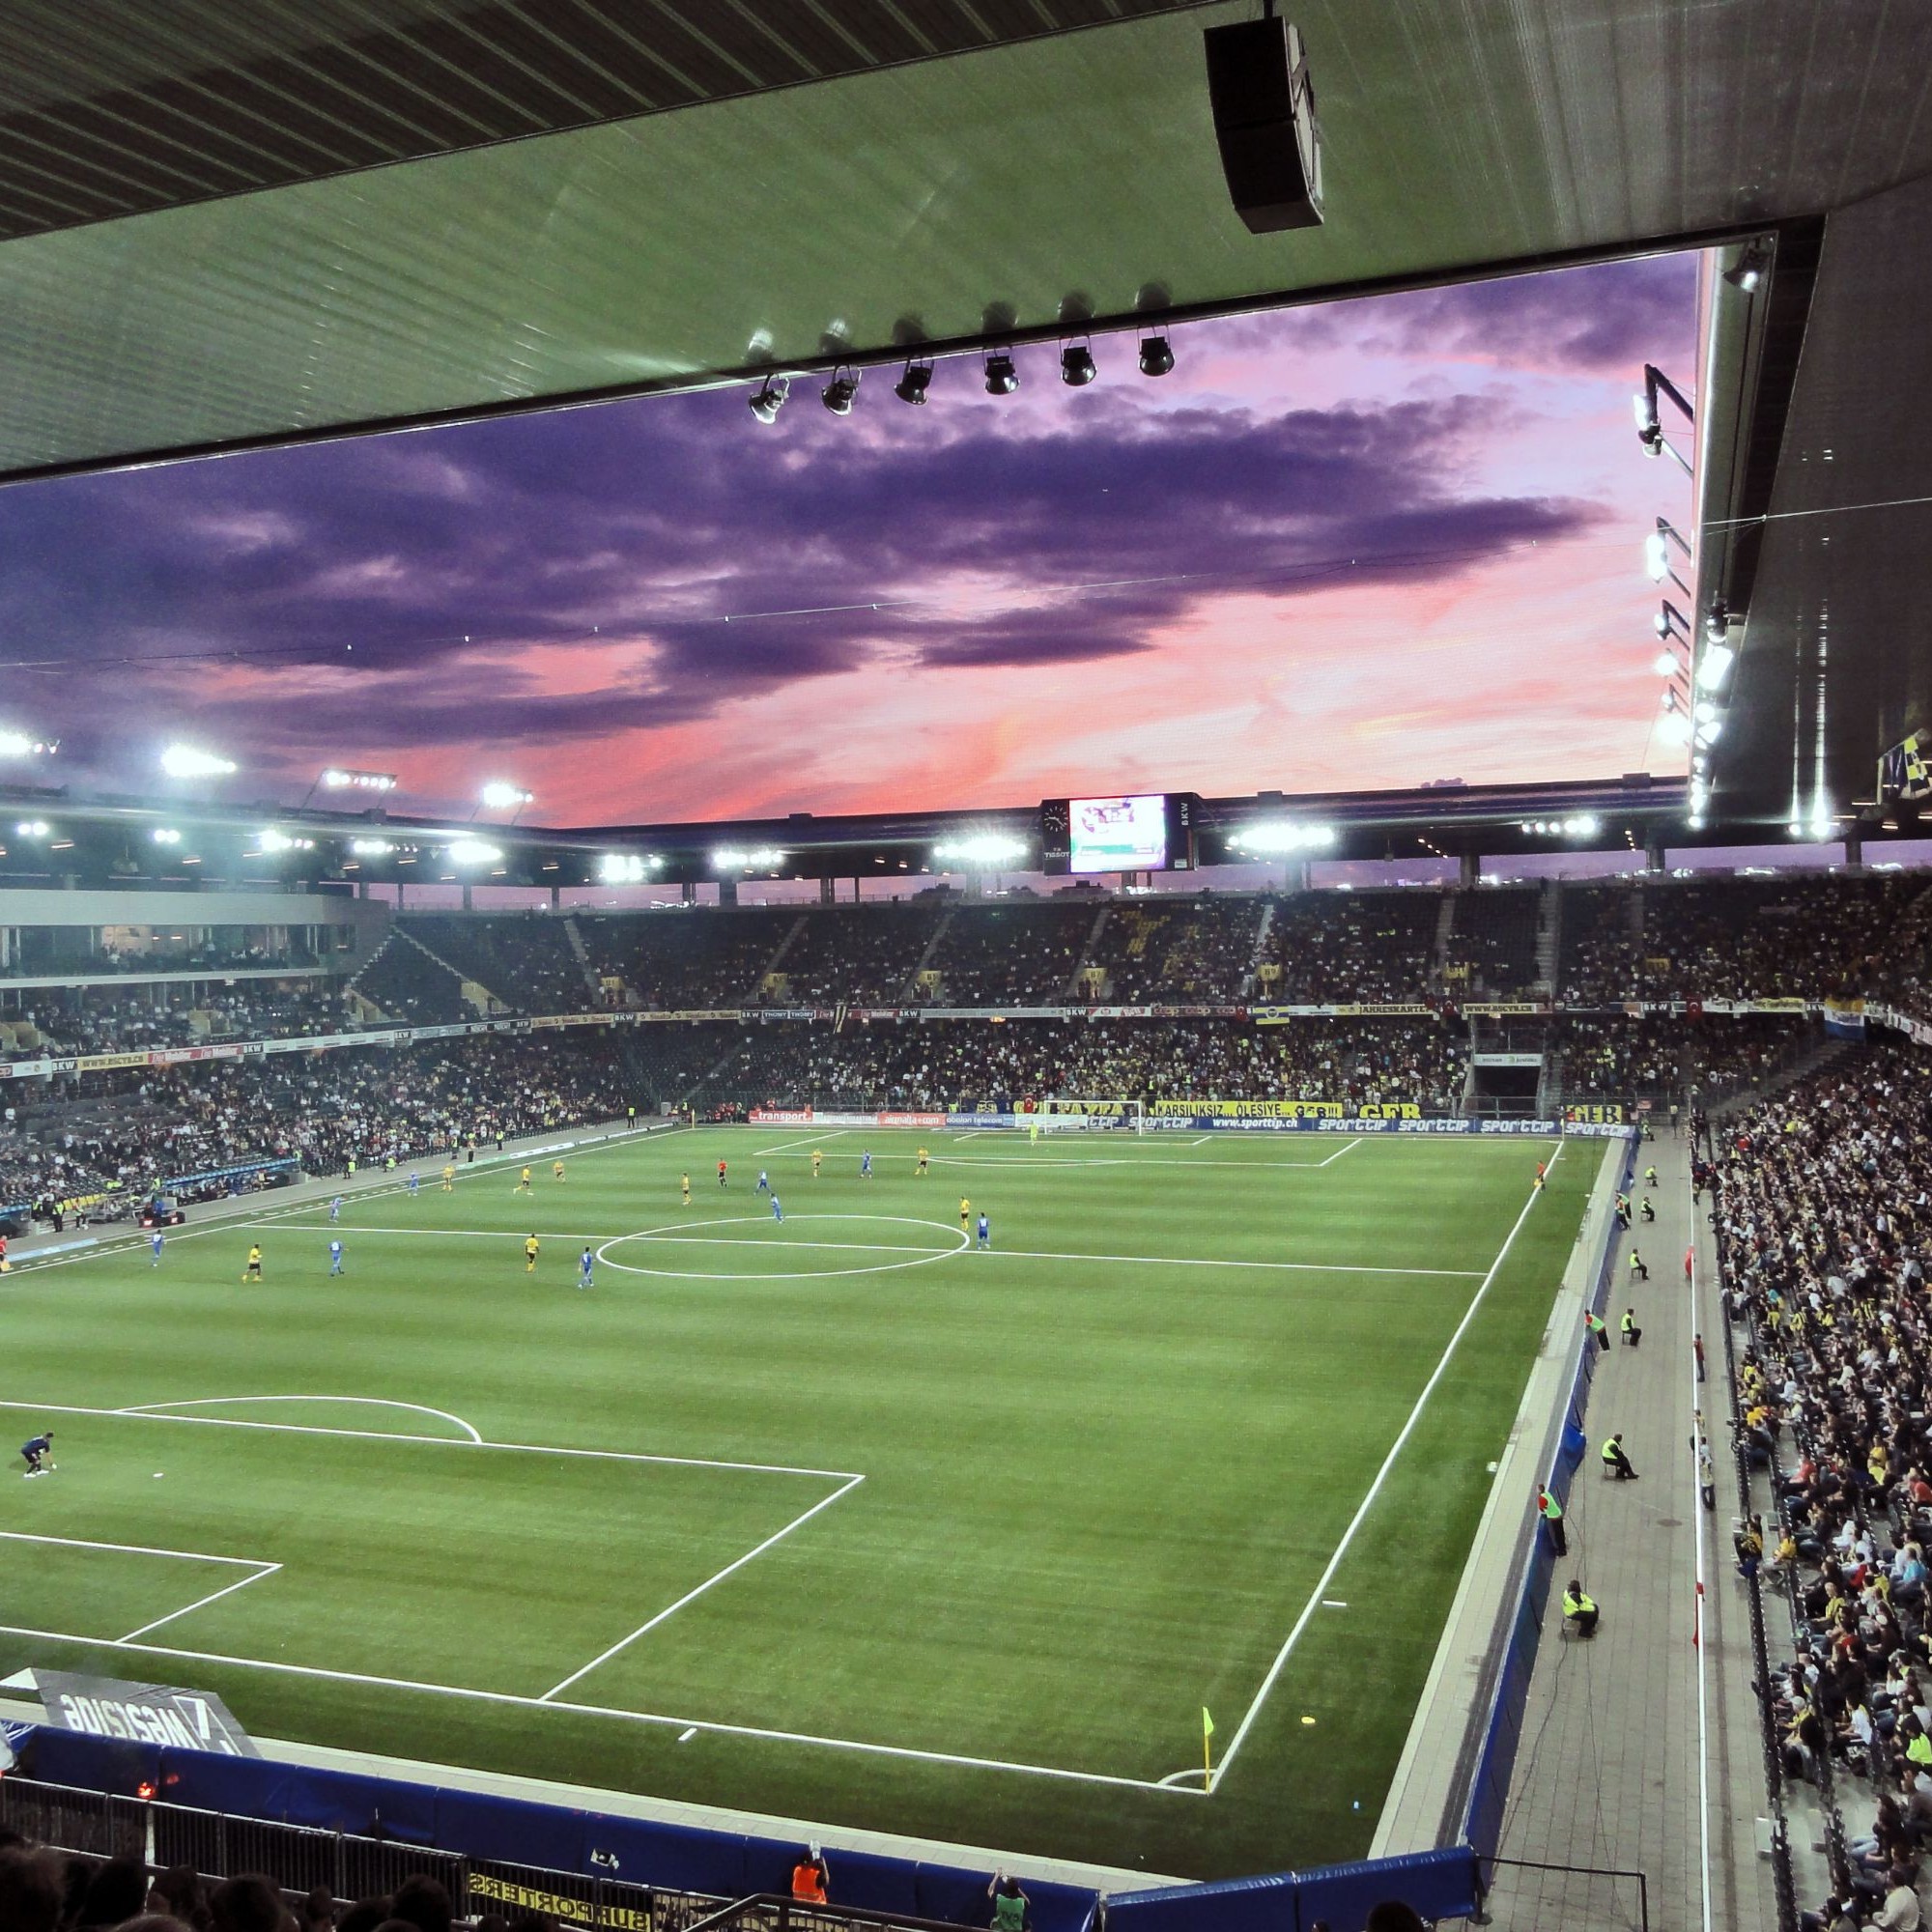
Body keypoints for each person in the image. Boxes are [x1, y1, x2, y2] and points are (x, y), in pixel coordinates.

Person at [1538, 1484, 1567, 1554]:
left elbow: (1542, 1508)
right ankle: (1563, 1547)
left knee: (1557, 1535)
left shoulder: (1541, 1498)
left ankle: (1561, 1551)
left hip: (1554, 1517)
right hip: (1558, 1513)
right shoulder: (1547, 1494)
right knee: (1561, 1533)